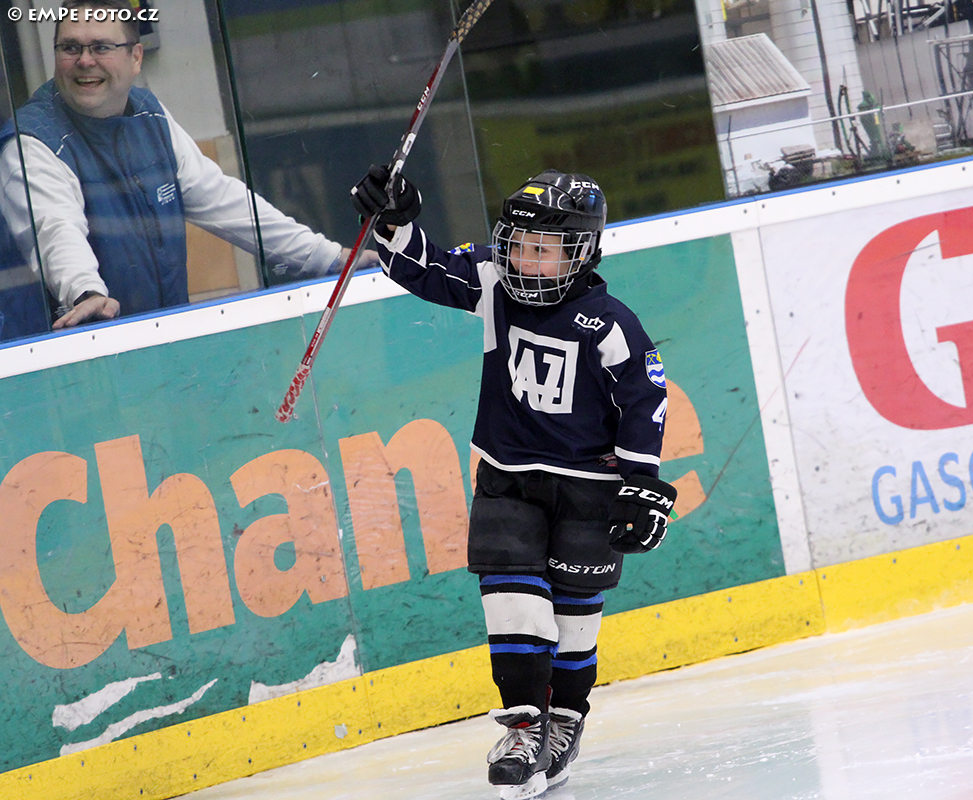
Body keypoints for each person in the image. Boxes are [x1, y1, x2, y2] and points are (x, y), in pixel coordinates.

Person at [351, 164, 678, 799]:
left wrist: (641, 483)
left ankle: (567, 719)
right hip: (508, 477)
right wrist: (394, 221)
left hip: (589, 488)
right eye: (518, 245)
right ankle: (526, 727)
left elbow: (644, 400)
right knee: (510, 600)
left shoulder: (610, 323)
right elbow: (426, 269)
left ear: (581, 253)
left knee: (574, 619)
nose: (526, 261)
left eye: (543, 250)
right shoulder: (494, 282)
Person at [0, 0, 363, 331]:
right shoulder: (31, 141)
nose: (84, 61)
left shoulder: (149, 114)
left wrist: (331, 258)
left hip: (159, 340)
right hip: (67, 354)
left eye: (101, 47)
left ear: (136, 57)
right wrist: (86, 293)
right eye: (70, 47)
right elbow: (55, 229)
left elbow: (226, 202)